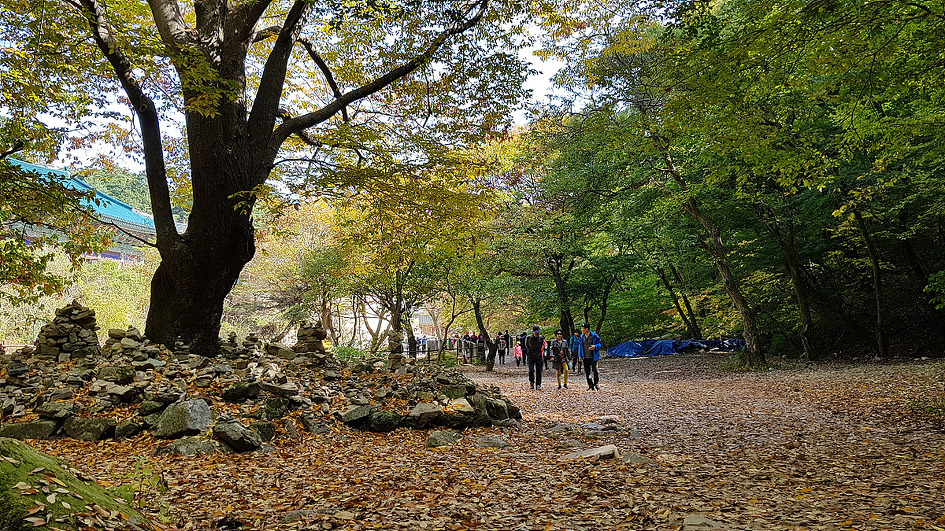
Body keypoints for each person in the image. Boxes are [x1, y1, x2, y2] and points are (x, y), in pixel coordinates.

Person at [576, 322, 603, 390]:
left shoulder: (594, 335)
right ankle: (590, 385)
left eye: (583, 328)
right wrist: (580, 356)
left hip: (593, 356)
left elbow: (600, 343)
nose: (582, 330)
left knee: (595, 370)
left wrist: (595, 346)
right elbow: (580, 346)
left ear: (587, 329)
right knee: (587, 371)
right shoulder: (581, 337)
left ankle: (596, 383)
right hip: (585, 357)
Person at [525, 325, 546, 390]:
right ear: (533, 332)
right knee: (531, 371)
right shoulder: (529, 338)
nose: (537, 333)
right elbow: (527, 346)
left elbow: (542, 345)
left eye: (538, 332)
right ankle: (531, 382)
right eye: (536, 332)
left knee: (539, 371)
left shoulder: (541, 338)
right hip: (530, 356)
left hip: (539, 356)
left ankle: (538, 384)